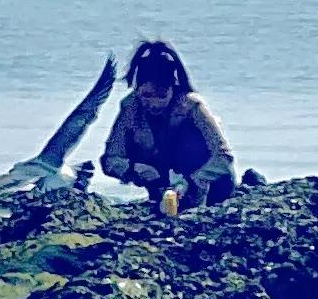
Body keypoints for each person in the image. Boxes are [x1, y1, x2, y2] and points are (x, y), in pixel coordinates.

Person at [101, 41, 236, 211]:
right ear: (137, 90)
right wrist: (133, 168)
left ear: (173, 89)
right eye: (146, 95)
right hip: (163, 186)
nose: (154, 103)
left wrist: (194, 181)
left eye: (161, 95)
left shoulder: (192, 106)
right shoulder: (130, 108)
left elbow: (224, 156)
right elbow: (110, 159)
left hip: (208, 186)